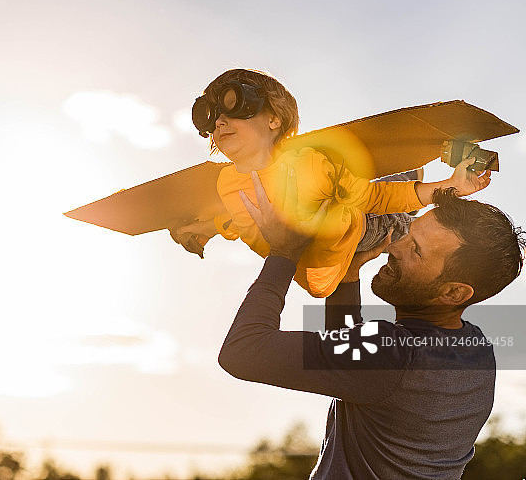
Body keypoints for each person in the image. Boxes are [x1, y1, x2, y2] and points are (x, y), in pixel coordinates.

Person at [218, 169, 525, 479]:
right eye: (408, 233)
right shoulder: (476, 351)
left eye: (415, 250)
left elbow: (243, 351)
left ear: (453, 292)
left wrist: (283, 254)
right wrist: (348, 273)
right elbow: (354, 361)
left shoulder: (392, 356)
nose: (394, 246)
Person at [171, 69, 491, 297]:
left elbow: (375, 197)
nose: (220, 122)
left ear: (274, 119)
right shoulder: (229, 183)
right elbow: (246, 224)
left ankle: (426, 166)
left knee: (395, 198)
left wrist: (448, 186)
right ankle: (419, 173)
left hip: (353, 226)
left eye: (233, 107)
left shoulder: (309, 165)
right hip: (356, 239)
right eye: (211, 119)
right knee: (400, 224)